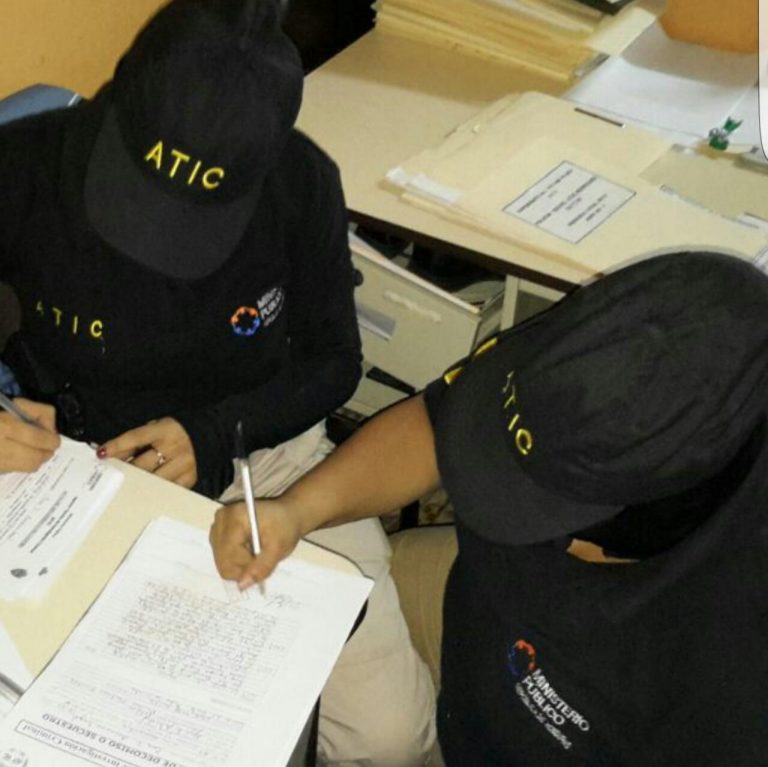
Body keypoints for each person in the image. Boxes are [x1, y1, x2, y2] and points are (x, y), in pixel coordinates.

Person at [0, 1, 435, 764]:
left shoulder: (303, 183)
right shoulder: (26, 162)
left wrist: (213, 434)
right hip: (65, 470)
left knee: (390, 736)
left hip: (262, 458)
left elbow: (335, 361)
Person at [211, 251, 768, 765]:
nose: (490, 509)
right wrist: (298, 511)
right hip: (472, 644)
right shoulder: (595, 359)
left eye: (540, 503)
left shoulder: (731, 677)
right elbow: (435, 427)